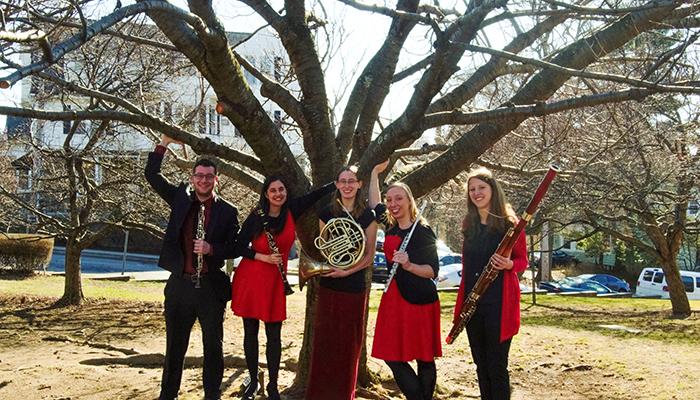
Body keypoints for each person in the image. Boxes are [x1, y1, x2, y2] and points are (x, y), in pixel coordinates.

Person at [145, 134, 240, 400]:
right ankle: (168, 394)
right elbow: (152, 174)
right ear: (192, 177)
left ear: (216, 179)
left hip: (210, 287)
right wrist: (163, 143)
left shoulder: (228, 211)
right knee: (175, 346)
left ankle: (212, 395)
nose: (203, 180)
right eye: (199, 175)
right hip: (180, 286)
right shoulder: (179, 198)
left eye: (209, 176)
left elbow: (236, 247)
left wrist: (212, 249)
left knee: (213, 346)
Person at [231, 176, 334, 400]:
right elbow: (237, 246)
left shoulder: (291, 210)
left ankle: (273, 386)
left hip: (276, 282)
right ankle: (252, 382)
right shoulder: (257, 216)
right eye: (273, 190)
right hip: (252, 278)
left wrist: (341, 182)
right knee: (251, 333)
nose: (278, 193)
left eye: (281, 189)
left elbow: (314, 195)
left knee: (274, 336)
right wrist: (263, 257)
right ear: (266, 194)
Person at [368, 160, 441, 400]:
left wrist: (409, 264)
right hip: (394, 297)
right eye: (390, 199)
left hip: (418, 299)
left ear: (409, 200)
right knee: (391, 355)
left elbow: (432, 270)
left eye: (398, 198)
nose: (392, 203)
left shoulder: (422, 231)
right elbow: (374, 204)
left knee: (424, 356)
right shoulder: (391, 227)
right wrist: (374, 174)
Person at [453, 167, 528, 400]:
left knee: (496, 366)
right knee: (480, 365)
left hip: (499, 303)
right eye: (472, 189)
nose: (476, 193)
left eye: (481, 188)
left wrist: (508, 264)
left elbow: (522, 261)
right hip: (473, 303)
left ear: (493, 190)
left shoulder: (510, 224)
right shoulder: (469, 223)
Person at [306, 166, 378, 400]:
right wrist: (333, 269)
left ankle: (344, 394)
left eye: (351, 181)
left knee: (348, 345)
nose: (347, 185)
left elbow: (367, 257)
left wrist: (345, 272)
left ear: (359, 185)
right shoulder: (326, 213)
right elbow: (325, 247)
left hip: (354, 286)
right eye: (342, 181)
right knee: (325, 344)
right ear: (336, 185)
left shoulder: (368, 215)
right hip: (329, 285)